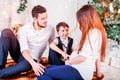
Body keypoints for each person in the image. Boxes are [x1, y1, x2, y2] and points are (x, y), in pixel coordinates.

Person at [37, 4, 107, 80]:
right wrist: (98, 73)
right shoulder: (100, 32)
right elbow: (97, 57)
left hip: (78, 70)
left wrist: (69, 62)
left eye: (80, 21)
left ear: (85, 19)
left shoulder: (92, 33)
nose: (80, 23)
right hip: (77, 68)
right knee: (49, 67)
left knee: (41, 73)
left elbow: (83, 58)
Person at [0, 5, 55, 78]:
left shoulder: (50, 29)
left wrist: (64, 54)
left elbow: (52, 44)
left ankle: (1, 73)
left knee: (26, 65)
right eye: (42, 18)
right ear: (35, 19)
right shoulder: (24, 29)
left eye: (46, 17)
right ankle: (0, 65)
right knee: (6, 32)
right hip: (20, 54)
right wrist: (34, 64)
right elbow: (24, 50)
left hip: (33, 58)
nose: (46, 21)